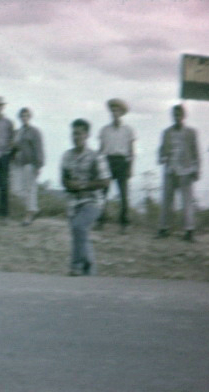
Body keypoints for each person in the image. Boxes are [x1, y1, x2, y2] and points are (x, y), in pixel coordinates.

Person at [61, 119, 111, 276]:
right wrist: (70, 184)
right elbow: (64, 179)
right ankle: (90, 270)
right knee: (80, 233)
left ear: (87, 135)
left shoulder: (96, 157)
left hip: (93, 201)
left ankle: (76, 265)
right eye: (74, 133)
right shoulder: (67, 156)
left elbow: (105, 181)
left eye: (80, 133)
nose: (76, 137)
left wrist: (83, 186)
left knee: (79, 227)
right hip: (73, 203)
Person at [156, 105, 200, 241]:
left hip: (186, 171)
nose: (177, 118)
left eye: (179, 115)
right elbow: (161, 150)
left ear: (183, 116)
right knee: (167, 201)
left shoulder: (191, 132)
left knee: (187, 202)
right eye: (174, 115)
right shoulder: (167, 132)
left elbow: (195, 152)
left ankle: (189, 231)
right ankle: (164, 229)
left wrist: (196, 169)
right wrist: (162, 157)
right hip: (170, 170)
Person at [96, 98, 135, 233]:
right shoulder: (104, 130)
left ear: (122, 113)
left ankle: (124, 224)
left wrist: (130, 167)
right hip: (107, 161)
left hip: (122, 163)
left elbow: (131, 151)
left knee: (124, 195)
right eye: (112, 110)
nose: (114, 113)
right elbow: (100, 150)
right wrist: (98, 166)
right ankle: (100, 221)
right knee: (102, 194)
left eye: (117, 110)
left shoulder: (128, 130)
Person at [12, 107, 44, 225]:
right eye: (22, 116)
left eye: (26, 116)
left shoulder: (34, 131)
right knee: (17, 189)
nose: (24, 118)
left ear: (29, 117)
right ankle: (34, 209)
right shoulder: (18, 132)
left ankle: (29, 214)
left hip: (30, 163)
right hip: (18, 163)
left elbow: (39, 148)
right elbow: (14, 147)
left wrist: (39, 165)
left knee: (30, 189)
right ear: (19, 117)